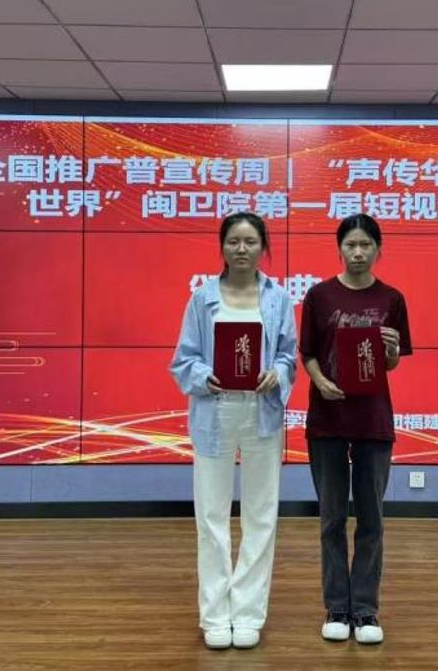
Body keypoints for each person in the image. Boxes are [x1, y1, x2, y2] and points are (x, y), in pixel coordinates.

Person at [169, 212, 297, 650]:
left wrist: (277, 373)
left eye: (250, 241)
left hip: (261, 412)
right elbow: (183, 359)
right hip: (215, 409)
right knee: (211, 516)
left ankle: (248, 613)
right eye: (233, 241)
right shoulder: (202, 298)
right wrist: (203, 376)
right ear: (222, 247)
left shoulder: (278, 298)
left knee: (261, 515)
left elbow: (288, 355)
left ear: (264, 247)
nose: (242, 249)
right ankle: (214, 615)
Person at [299, 213, 412, 645]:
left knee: (371, 519)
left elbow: (390, 364)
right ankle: (336, 607)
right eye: (351, 245)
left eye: (366, 245)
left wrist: (391, 352)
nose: (358, 252)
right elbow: (309, 352)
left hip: (372, 420)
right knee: (331, 518)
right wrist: (320, 381)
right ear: (340, 249)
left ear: (379, 249)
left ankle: (365, 610)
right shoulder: (319, 295)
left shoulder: (392, 299)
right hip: (327, 418)